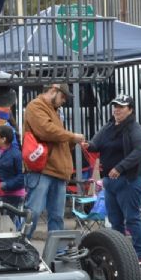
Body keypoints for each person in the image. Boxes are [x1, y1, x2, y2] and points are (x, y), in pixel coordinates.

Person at [85, 94, 141, 266]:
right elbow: (95, 144)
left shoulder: (135, 129)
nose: (116, 109)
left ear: (130, 110)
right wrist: (86, 145)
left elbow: (140, 150)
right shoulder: (108, 127)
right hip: (110, 181)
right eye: (115, 106)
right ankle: (120, 253)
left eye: (121, 107)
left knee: (132, 217)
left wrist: (120, 167)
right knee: (115, 219)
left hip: (131, 179)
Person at [22, 84, 85, 239]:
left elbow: (57, 138)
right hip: (42, 170)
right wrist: (72, 137)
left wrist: (71, 141)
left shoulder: (53, 110)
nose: (63, 101)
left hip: (56, 170)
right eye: (62, 96)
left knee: (56, 217)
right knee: (33, 213)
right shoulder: (35, 106)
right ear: (53, 90)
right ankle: (20, 247)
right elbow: (46, 130)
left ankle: (57, 253)